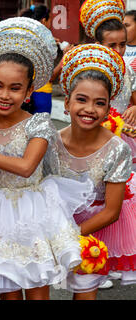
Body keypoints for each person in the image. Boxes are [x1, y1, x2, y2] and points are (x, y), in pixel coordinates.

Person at [0, 17, 95, 300]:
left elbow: (27, 167)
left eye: (15, 88)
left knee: (38, 291)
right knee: (9, 289)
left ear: (28, 92)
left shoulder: (37, 124)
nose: (4, 95)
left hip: (35, 211)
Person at [57, 43, 136, 299]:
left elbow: (112, 211)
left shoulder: (117, 149)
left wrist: (70, 237)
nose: (90, 109)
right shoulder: (50, 142)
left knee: (84, 288)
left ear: (107, 110)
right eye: (81, 100)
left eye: (99, 103)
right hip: (55, 224)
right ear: (66, 102)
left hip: (95, 229)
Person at [81, 0, 136, 170]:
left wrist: (134, 109)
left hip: (126, 138)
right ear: (99, 45)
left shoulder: (128, 70)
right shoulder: (88, 74)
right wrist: (116, 123)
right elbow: (82, 110)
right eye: (112, 45)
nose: (119, 51)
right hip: (95, 137)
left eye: (123, 44)